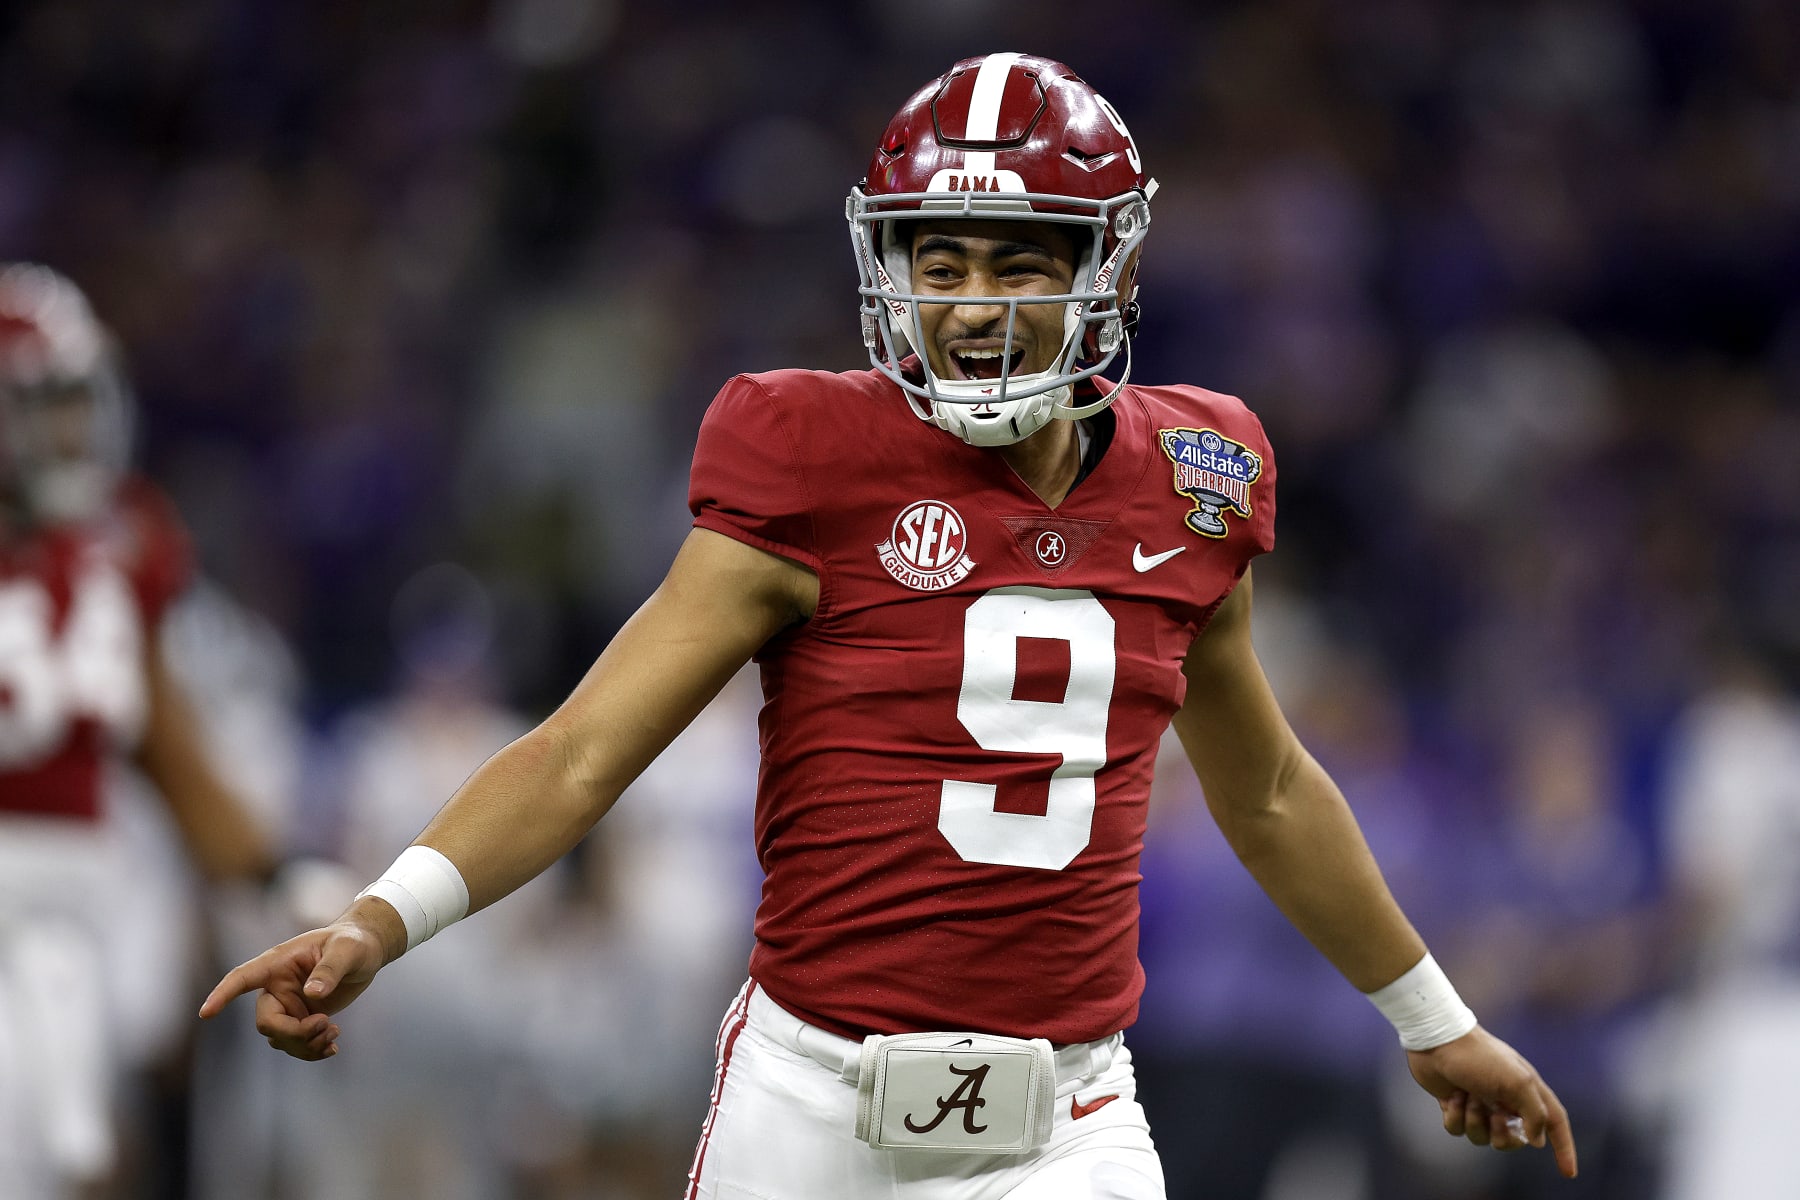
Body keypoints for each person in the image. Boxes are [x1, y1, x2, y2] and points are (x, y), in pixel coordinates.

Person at [201, 53, 1579, 1197]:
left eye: (1021, 265)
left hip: (1069, 1118)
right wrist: (382, 920)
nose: (973, 307)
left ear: (1110, 266)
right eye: (944, 260)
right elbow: (581, 754)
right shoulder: (810, 454)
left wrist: (1432, 1021)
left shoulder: (1200, 476)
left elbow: (1268, 789)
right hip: (816, 1100)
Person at [0, 262, 281, 1197]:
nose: (73, 431)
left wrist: (276, 877)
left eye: (78, 401)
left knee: (82, 1157)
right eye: (45, 404)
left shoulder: (124, 542)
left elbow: (167, 745)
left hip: (74, 914)